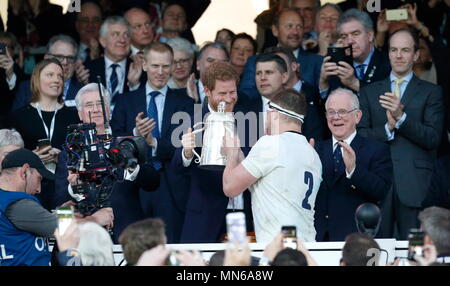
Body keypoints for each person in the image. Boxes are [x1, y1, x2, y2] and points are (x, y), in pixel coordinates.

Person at [358, 28, 445, 240]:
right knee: (376, 251)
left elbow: (433, 138)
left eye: (405, 50)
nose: (398, 55)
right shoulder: (369, 91)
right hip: (377, 184)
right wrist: (387, 129)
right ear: (387, 53)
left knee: (414, 249)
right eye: (394, 50)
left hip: (416, 185)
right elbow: (359, 137)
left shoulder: (431, 91)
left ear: (416, 55)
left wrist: (402, 119)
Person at [54, 83, 160, 243]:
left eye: (100, 104)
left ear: (109, 111)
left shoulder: (126, 142)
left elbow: (153, 182)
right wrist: (74, 187)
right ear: (80, 113)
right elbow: (58, 201)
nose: (96, 109)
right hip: (87, 239)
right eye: (89, 105)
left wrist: (132, 169)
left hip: (129, 236)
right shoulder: (70, 151)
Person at [111, 42, 194, 243]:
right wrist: (135, 134)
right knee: (132, 251)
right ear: (145, 65)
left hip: (170, 187)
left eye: (166, 66)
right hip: (133, 187)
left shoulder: (186, 103)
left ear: (173, 67)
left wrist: (153, 142)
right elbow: (113, 139)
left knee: (169, 249)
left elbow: (180, 145)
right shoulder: (125, 100)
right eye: (155, 66)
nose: (160, 71)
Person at [222, 88, 322, 243]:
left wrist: (230, 155)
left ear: (273, 114)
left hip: (279, 249)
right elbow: (267, 185)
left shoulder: (271, 144)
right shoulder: (313, 154)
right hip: (307, 248)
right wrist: (240, 157)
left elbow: (230, 187)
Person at [173, 61, 255, 243]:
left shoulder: (249, 117)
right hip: (205, 214)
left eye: (232, 92)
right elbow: (176, 167)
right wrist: (187, 152)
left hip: (245, 214)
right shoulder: (191, 117)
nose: (228, 98)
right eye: (222, 93)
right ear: (207, 91)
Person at [314, 88, 392, 241]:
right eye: (331, 112)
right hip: (319, 239)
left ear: (357, 116)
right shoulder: (315, 149)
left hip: (358, 240)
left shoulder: (377, 149)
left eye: (342, 111)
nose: (336, 117)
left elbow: (380, 192)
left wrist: (354, 170)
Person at [239, 8, 323, 102]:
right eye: (289, 26)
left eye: (299, 27)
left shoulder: (317, 62)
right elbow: (246, 95)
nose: (295, 32)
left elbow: (322, 96)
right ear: (275, 30)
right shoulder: (254, 62)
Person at [0, 148, 57, 266]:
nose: (38, 189)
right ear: (24, 172)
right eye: (38, 179)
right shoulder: (17, 203)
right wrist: (95, 218)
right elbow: (65, 229)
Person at [319, 9, 391, 98]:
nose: (350, 41)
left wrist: (354, 83)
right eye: (344, 36)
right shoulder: (337, 65)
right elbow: (325, 109)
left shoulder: (389, 63)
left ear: (370, 35)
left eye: (355, 34)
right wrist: (323, 83)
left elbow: (387, 103)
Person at [84, 16, 143, 110]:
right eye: (115, 34)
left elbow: (144, 107)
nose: (122, 40)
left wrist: (134, 85)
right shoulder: (87, 69)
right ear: (103, 41)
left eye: (126, 35)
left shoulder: (140, 69)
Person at [12, 34, 83, 111]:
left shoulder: (83, 90)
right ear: (47, 58)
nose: (65, 62)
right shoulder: (26, 88)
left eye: (70, 58)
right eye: (59, 57)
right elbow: (15, 121)